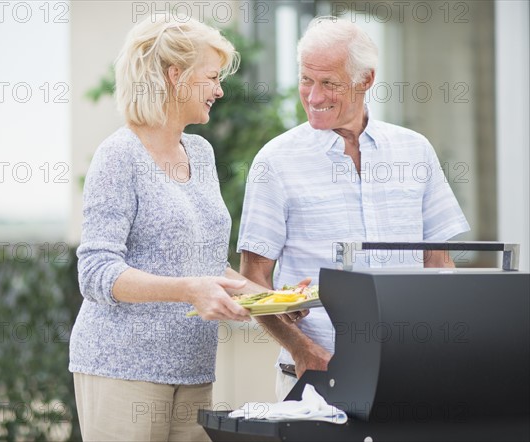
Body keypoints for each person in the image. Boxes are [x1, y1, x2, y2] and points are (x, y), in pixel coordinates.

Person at [237, 16, 470, 401]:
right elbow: (254, 281)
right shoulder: (274, 162)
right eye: (306, 80)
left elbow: (438, 264)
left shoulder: (415, 151)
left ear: (366, 80)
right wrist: (301, 348)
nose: (313, 97)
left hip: (407, 370)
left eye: (328, 83)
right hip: (314, 375)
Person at [69, 16, 262, 442]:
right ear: (175, 76)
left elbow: (206, 264)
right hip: (122, 369)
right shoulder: (119, 156)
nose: (219, 90)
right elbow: (96, 273)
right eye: (211, 77)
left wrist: (270, 300)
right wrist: (188, 290)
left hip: (193, 369)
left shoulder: (201, 152)